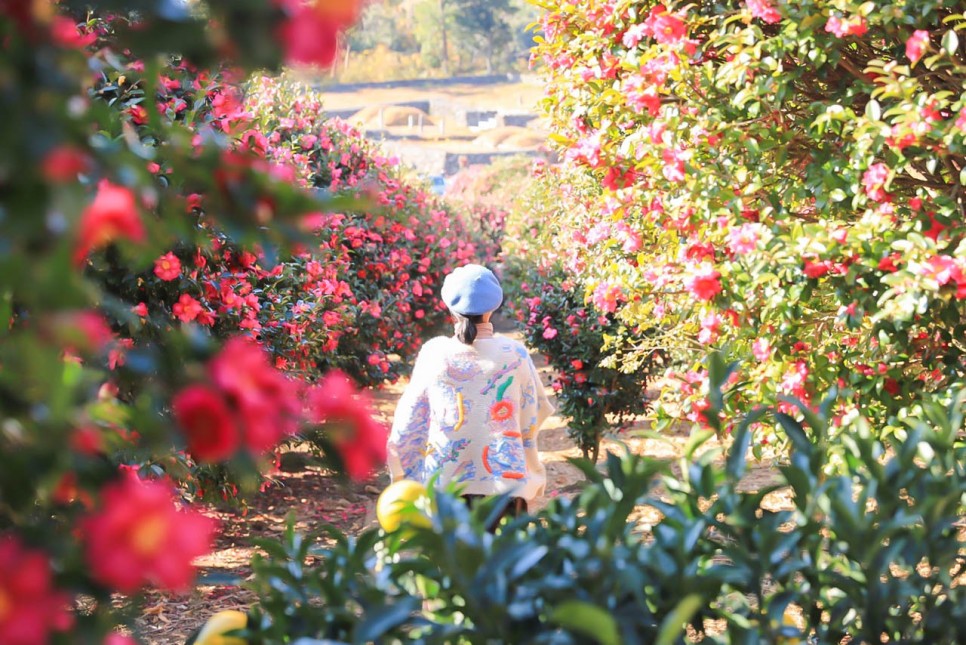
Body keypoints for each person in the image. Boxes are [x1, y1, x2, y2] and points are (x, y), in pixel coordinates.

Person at [387, 264, 554, 525]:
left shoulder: (434, 353)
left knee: (453, 563)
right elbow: (535, 411)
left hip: (445, 487)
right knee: (504, 560)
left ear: (450, 309)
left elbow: (410, 422)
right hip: (505, 489)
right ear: (493, 308)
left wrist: (404, 473)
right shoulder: (515, 354)